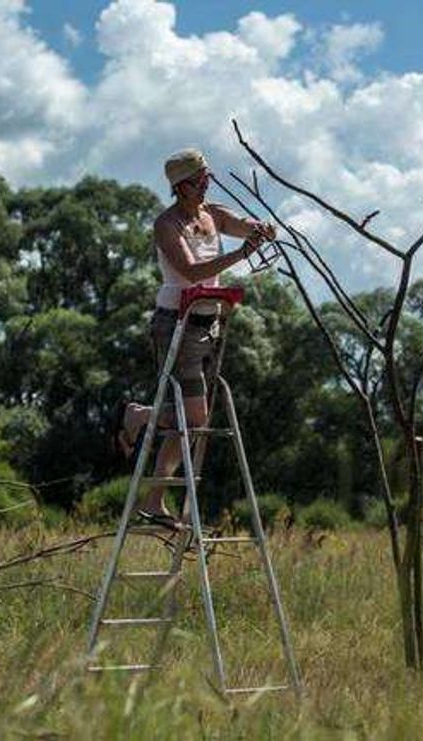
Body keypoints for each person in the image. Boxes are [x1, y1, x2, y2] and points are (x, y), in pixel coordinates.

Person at [114, 148, 276, 527]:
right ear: (182, 186)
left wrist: (262, 229)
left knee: (192, 420)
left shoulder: (213, 214)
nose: (208, 185)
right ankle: (137, 418)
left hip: (207, 322)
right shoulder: (166, 225)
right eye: (201, 180)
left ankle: (153, 494)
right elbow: (190, 272)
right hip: (176, 322)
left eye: (208, 177)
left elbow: (243, 225)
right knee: (193, 417)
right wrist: (240, 255)